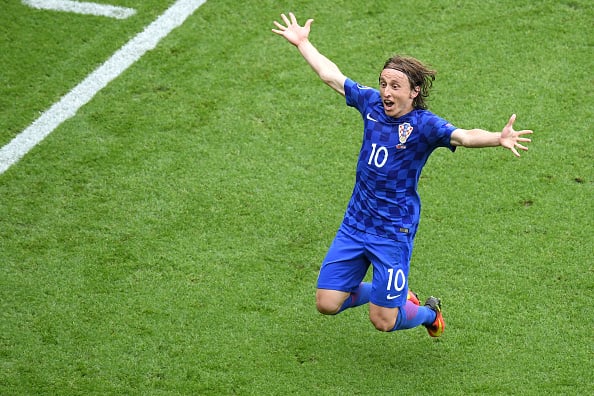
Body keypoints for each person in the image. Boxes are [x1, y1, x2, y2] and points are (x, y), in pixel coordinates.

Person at [272, 13, 532, 337]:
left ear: (414, 91)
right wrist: (304, 43)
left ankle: (427, 313)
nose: (386, 92)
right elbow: (332, 76)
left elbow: (464, 136)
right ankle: (393, 296)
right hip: (356, 222)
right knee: (326, 302)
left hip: (393, 231)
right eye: (383, 83)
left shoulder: (425, 125)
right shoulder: (371, 105)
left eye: (395, 86)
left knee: (383, 321)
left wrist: (498, 137)